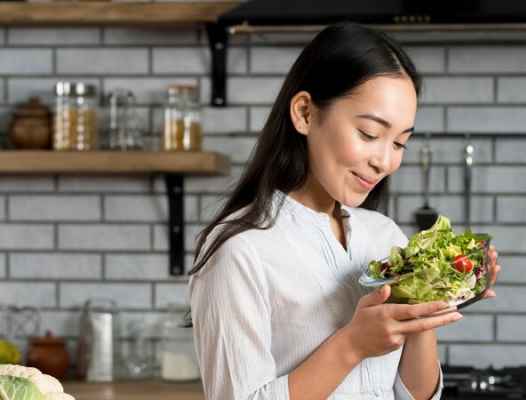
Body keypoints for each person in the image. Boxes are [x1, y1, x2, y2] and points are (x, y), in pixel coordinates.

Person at [188, 22, 501, 400]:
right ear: (305, 113)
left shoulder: (384, 236)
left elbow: (415, 397)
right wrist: (352, 344)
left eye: (400, 142)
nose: (385, 161)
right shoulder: (240, 250)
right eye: (369, 134)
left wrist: (430, 295)